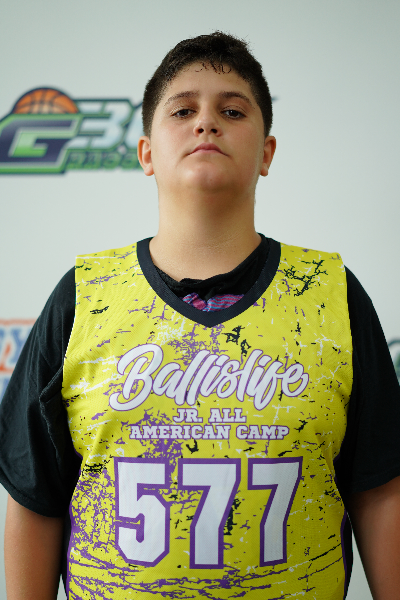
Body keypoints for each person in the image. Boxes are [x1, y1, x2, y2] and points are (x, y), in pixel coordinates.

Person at [1, 31, 400, 600]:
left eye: (232, 111)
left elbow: (379, 488)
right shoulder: (84, 296)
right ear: (146, 153)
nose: (206, 123)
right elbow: (35, 495)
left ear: (267, 153)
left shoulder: (329, 293)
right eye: (183, 110)